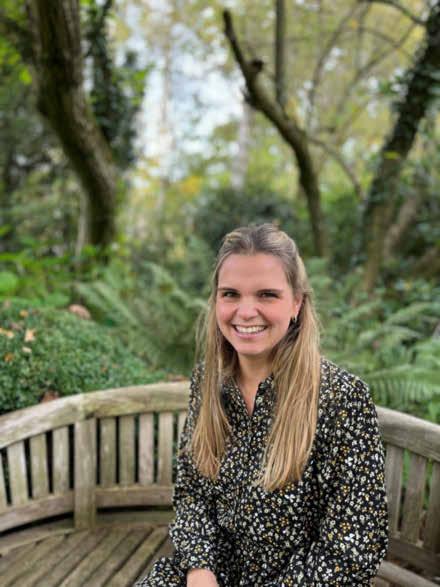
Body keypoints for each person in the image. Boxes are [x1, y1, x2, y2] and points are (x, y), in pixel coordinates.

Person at [135, 223, 389, 586]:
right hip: (216, 572)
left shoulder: (341, 399)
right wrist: (200, 569)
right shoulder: (209, 381)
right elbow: (193, 493)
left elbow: (353, 547)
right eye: (230, 294)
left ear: (296, 303)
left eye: (267, 295)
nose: (245, 311)